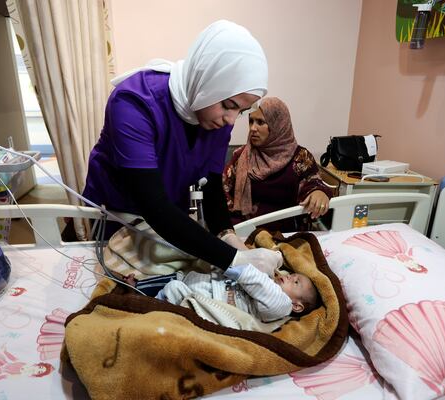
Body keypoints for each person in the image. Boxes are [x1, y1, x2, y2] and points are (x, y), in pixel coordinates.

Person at [81, 20, 281, 274]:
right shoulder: (133, 103)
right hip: (117, 211)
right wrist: (234, 260)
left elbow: (211, 184)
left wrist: (228, 236)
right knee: (119, 279)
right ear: (207, 82)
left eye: (241, 111)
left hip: (165, 216)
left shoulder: (215, 116)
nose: (231, 120)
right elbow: (153, 205)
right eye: (230, 105)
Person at [223, 97, 333, 233]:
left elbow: (313, 183)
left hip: (288, 234)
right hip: (245, 232)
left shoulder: (300, 157)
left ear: (278, 124)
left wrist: (319, 192)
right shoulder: (241, 156)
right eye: (251, 121)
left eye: (260, 122)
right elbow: (224, 191)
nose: (253, 128)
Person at [127, 265, 320, 323]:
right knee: (180, 277)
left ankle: (143, 307)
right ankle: (139, 285)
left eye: (296, 282)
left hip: (211, 303)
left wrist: (239, 265)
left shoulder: (282, 305)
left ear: (297, 306)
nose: (290, 277)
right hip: (214, 286)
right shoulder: (273, 286)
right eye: (293, 275)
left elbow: (258, 283)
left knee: (174, 288)